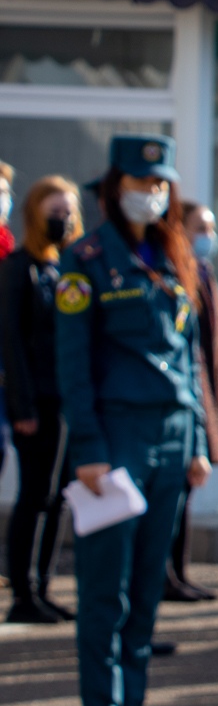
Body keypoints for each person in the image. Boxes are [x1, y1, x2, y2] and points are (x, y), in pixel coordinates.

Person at [57, 134, 209, 706]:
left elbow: (186, 356)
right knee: (106, 588)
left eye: (161, 184)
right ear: (113, 188)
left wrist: (197, 439)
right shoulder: (86, 259)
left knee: (148, 584)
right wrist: (89, 448)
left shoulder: (174, 255)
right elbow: (73, 365)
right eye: (140, 183)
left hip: (172, 433)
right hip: (116, 437)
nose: (151, 194)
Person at [1, 175, 82, 623]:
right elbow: (12, 343)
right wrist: (23, 408)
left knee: (58, 499)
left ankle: (45, 587)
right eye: (54, 213)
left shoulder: (65, 268)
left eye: (67, 213)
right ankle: (22, 594)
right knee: (35, 496)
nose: (62, 221)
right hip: (37, 403)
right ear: (34, 214)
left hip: (67, 401)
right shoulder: (18, 268)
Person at [162, 202, 218, 604]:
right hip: (186, 392)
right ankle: (166, 574)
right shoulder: (175, 272)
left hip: (200, 389)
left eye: (211, 227)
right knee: (173, 493)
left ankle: (178, 572)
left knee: (186, 490)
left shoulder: (201, 270)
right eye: (199, 227)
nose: (207, 236)